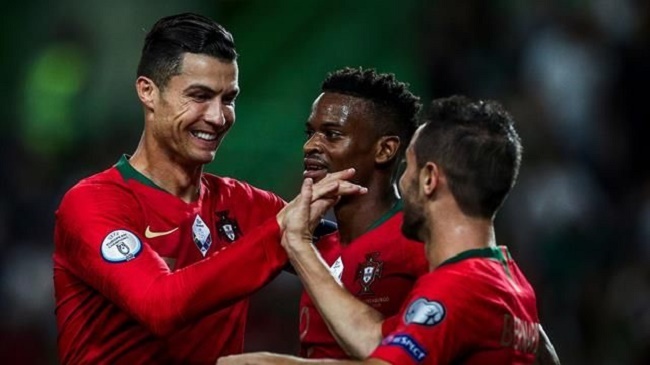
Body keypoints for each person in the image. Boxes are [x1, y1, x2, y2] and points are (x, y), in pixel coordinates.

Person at [52, 13, 365, 365]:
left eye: (228, 98)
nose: (217, 117)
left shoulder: (243, 204)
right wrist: (279, 233)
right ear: (147, 92)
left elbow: (359, 257)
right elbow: (160, 305)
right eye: (199, 96)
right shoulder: (93, 203)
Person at [219, 96, 559, 364]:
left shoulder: (458, 286)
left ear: (429, 179)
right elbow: (374, 340)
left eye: (407, 166)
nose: (401, 180)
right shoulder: (510, 279)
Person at [298, 67, 428, 359]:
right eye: (310, 133)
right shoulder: (317, 248)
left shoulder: (420, 240)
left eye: (332, 135)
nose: (309, 146)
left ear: (384, 150)